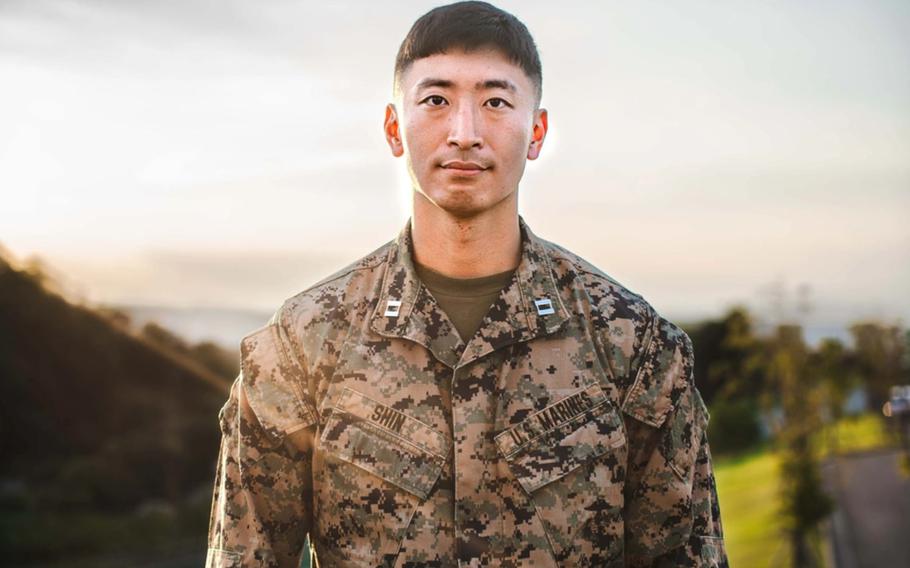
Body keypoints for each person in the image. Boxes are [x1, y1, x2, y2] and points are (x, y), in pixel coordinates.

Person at [205, 2, 727, 567]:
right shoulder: (304, 343)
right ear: (393, 128)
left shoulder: (634, 345)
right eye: (436, 100)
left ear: (537, 131)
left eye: (496, 102)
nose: (464, 133)